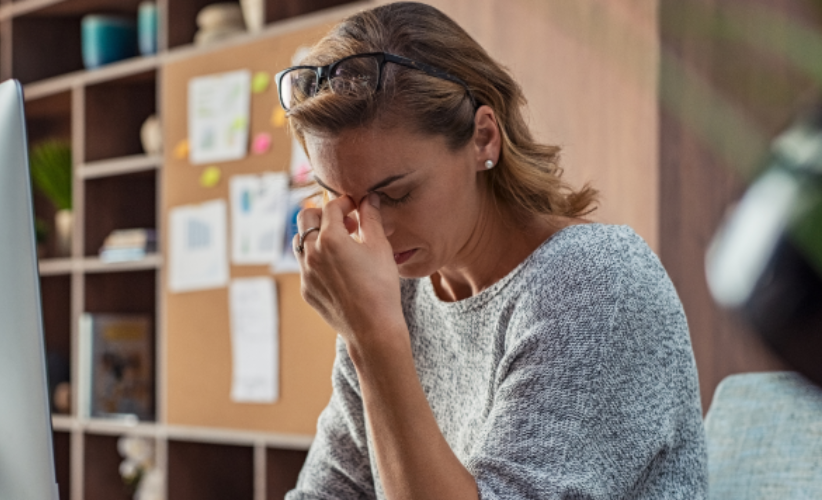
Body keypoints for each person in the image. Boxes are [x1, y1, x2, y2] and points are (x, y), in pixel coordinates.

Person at [279, 3, 706, 499]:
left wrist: (374, 339)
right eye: (342, 200)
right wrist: (371, 333)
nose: (370, 230)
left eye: (395, 194)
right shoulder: (394, 296)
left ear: (483, 137)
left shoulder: (596, 286)